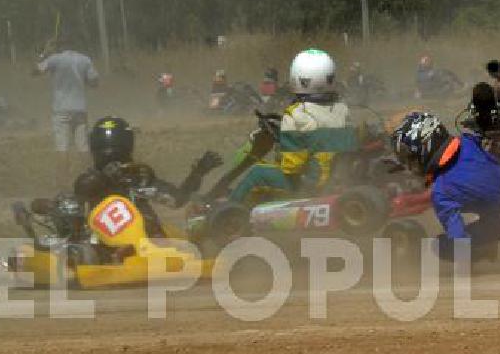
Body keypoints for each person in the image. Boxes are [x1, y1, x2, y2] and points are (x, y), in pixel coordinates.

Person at [228, 48, 356, 203]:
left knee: (257, 173)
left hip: (309, 184)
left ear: (299, 79)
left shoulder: (295, 114)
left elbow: (292, 167)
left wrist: (281, 146)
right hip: (336, 180)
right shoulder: (342, 109)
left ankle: (229, 210)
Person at [73, 117, 223, 238]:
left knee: (184, 228)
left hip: (142, 237)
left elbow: (177, 199)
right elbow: (79, 200)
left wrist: (198, 172)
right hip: (101, 240)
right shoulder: (89, 182)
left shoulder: (137, 178)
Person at [391, 111, 500, 261]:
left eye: (410, 158)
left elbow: (459, 241)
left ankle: (486, 250)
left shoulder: (442, 193)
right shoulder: (468, 140)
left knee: (442, 246)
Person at [32, 33, 101, 187]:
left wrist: (44, 53)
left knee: (62, 148)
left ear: (59, 46)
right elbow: (94, 82)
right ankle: (92, 180)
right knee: (83, 147)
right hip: (80, 108)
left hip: (61, 110)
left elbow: (34, 71)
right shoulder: (84, 59)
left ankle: (62, 184)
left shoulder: (54, 59)